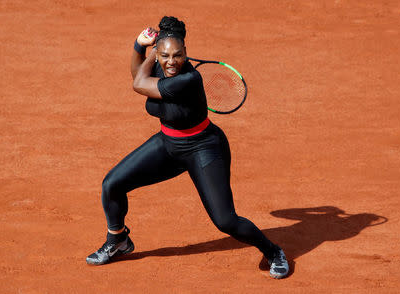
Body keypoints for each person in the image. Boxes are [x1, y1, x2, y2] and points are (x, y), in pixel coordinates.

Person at [86, 16, 289, 279]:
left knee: (225, 221)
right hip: (168, 145)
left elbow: (138, 83)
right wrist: (140, 46)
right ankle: (118, 241)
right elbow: (138, 73)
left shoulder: (188, 79)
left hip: (203, 148)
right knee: (111, 184)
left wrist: (154, 51)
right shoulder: (162, 66)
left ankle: (274, 251)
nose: (172, 62)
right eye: (166, 56)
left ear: (186, 53)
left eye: (178, 55)